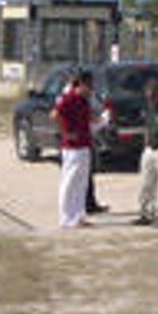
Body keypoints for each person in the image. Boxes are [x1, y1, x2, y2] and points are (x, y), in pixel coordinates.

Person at [51, 70, 97, 228]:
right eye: (89, 85)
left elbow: (89, 119)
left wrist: (102, 119)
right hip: (72, 148)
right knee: (69, 183)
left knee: (81, 183)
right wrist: (65, 133)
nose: (91, 89)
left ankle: (78, 216)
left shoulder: (84, 100)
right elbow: (55, 114)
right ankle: (66, 217)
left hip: (85, 145)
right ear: (81, 84)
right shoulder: (69, 97)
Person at [132, 78, 158, 226]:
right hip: (150, 149)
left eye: (153, 95)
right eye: (148, 95)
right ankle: (145, 212)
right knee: (146, 182)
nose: (150, 98)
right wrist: (146, 143)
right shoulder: (149, 108)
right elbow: (147, 127)